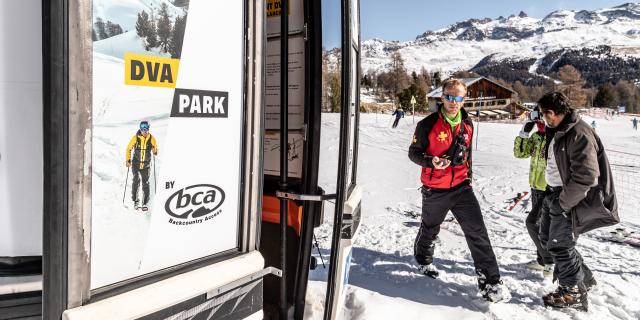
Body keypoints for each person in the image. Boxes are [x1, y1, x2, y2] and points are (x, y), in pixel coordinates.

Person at [408, 79, 510, 302]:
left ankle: (491, 282)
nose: (454, 102)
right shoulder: (427, 124)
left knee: (478, 232)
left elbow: (468, 154)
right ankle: (424, 261)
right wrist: (431, 161)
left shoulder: (468, 123)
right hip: (435, 188)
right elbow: (413, 153)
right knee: (430, 228)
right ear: (442, 97)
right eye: (450, 97)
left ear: (465, 100)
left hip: (462, 187)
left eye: (459, 98)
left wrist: (469, 178)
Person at [537, 92, 619, 311]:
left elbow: (586, 177)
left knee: (560, 244)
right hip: (553, 193)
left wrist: (562, 204)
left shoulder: (579, 133)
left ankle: (572, 291)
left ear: (552, 113)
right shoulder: (559, 129)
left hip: (568, 199)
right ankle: (585, 278)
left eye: (544, 114)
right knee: (547, 238)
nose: (543, 118)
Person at [513, 106, 554, 277]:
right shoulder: (538, 137)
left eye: (541, 118)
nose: (539, 122)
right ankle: (541, 260)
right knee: (539, 225)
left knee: (541, 226)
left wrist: (547, 133)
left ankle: (549, 261)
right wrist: (524, 131)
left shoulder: (554, 137)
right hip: (536, 186)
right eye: (537, 119)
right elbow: (520, 153)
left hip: (549, 188)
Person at [126, 121, 158, 211]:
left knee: (145, 183)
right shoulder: (135, 138)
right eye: (143, 128)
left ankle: (145, 203)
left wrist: (155, 151)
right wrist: (128, 160)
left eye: (146, 128)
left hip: (146, 165)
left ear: (148, 128)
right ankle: (136, 201)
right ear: (140, 129)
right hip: (136, 164)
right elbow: (128, 148)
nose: (144, 131)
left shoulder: (151, 138)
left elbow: (155, 147)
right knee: (136, 181)